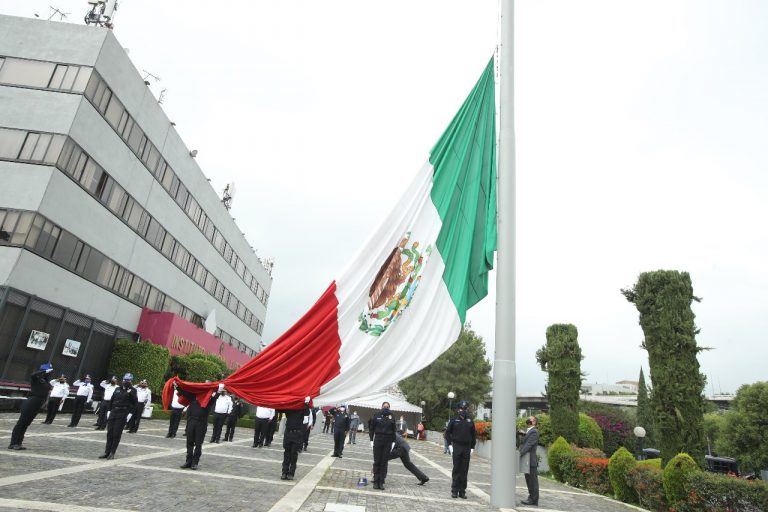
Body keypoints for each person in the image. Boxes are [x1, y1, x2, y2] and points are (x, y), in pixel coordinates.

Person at [178, 382, 223, 470]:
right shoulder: (193, 397)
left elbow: (214, 398)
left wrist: (219, 390)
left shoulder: (208, 400)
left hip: (201, 423)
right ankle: (188, 461)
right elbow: (184, 392)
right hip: (191, 421)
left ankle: (195, 462)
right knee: (189, 442)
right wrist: (177, 386)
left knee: (198, 444)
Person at [9, 363, 54, 450]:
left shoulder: (46, 381)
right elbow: (33, 375)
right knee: (21, 423)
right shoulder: (36, 378)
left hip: (38, 403)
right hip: (32, 401)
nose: (50, 373)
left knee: (26, 423)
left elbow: (48, 388)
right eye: (49, 371)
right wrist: (43, 371)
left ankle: (18, 442)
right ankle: (13, 443)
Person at [99, 373, 138, 460]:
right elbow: (112, 400)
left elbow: (134, 404)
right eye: (124, 380)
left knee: (116, 433)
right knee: (110, 433)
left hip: (123, 413)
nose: (125, 381)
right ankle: (107, 452)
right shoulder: (117, 389)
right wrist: (109, 410)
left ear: (131, 381)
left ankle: (112, 452)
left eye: (128, 380)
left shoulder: (133, 390)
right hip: (114, 411)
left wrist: (130, 414)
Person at [445, 400, 476, 499]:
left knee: (464, 470)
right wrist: (449, 446)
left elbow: (473, 435)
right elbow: (447, 434)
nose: (463, 410)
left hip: (467, 447)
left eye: (465, 409)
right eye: (462, 409)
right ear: (458, 409)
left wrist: (472, 447)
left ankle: (462, 491)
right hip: (457, 446)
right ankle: (454, 490)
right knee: (456, 469)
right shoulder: (454, 420)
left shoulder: (470, 421)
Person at [280, 396, 311, 480]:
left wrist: (306, 403)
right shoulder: (289, 408)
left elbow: (307, 413)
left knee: (294, 454)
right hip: (288, 433)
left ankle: (291, 473)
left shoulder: (302, 408)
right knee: (286, 454)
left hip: (297, 434)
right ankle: (284, 472)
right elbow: (279, 409)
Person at [369, 401, 397, 490]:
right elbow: (371, 428)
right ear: (381, 407)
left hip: (388, 440)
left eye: (387, 406)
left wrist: (393, 442)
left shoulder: (392, 416)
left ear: (389, 407)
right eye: (384, 406)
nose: (386, 407)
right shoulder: (376, 415)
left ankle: (381, 482)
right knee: (377, 461)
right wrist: (371, 440)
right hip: (378, 439)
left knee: (384, 462)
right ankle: (375, 481)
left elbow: (394, 430)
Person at [519, 416, 540, 506]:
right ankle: (531, 498)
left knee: (532, 481)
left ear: (534, 422)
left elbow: (528, 445)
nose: (528, 420)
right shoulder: (529, 431)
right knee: (529, 480)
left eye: (530, 419)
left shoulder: (534, 431)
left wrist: (519, 454)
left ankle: (534, 500)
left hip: (530, 460)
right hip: (527, 460)